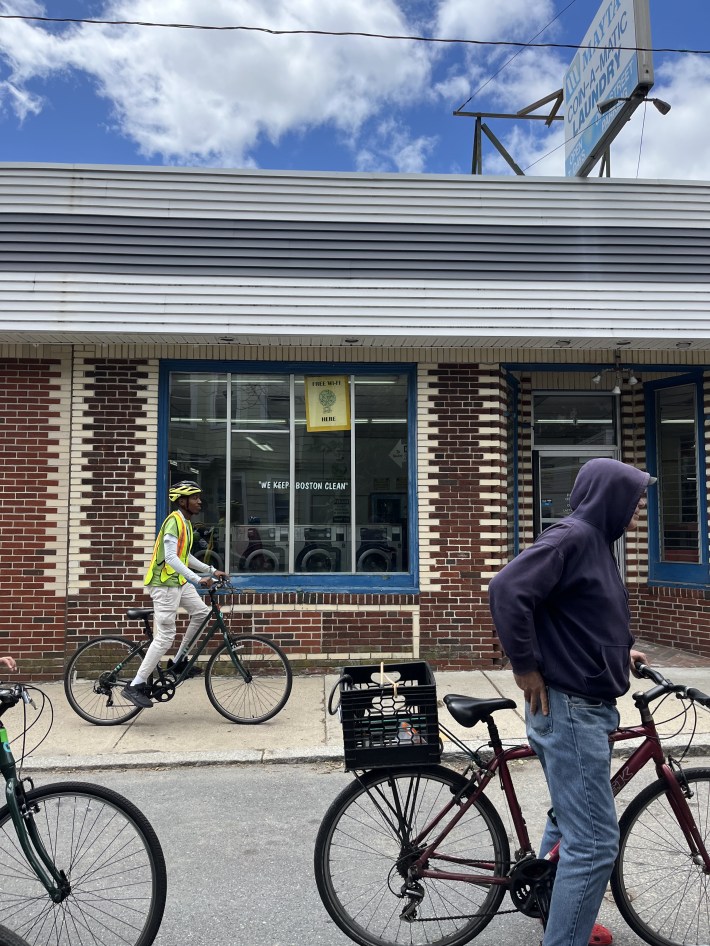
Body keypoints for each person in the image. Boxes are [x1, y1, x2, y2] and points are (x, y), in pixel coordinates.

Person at [488, 458, 655, 946]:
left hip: (583, 703)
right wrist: (524, 666)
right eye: (634, 499)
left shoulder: (595, 543)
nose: (638, 509)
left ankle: (553, 906)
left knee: (569, 819)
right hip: (570, 707)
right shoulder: (573, 537)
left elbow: (580, 614)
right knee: (595, 842)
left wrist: (621, 653)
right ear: (610, 497)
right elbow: (506, 589)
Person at [122, 481, 229, 709]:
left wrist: (210, 570)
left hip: (178, 581)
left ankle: (178, 661)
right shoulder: (173, 522)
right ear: (182, 501)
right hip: (164, 583)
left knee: (201, 612)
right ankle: (135, 685)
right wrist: (197, 578)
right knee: (165, 636)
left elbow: (185, 556)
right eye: (195, 497)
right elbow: (171, 558)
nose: (200, 501)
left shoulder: (186, 523)